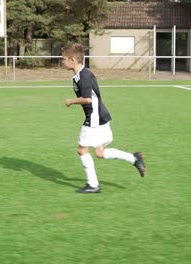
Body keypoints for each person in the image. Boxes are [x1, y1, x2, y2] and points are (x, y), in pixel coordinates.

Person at [62, 43, 146, 194]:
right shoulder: (80, 75)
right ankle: (134, 158)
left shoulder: (84, 76)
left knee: (82, 150)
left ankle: (93, 185)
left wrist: (71, 101)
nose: (62, 62)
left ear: (72, 60)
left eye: (64, 59)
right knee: (100, 153)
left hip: (94, 119)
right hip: (100, 117)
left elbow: (87, 99)